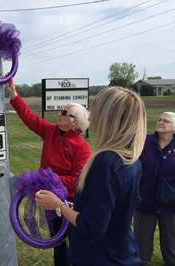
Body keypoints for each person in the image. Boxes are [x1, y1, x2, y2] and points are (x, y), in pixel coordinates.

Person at [35, 86, 146, 266]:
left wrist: (59, 206)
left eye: (94, 109)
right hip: (121, 253)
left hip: (101, 258)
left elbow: (91, 227)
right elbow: (114, 207)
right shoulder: (130, 158)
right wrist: (75, 205)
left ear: (107, 117)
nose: (89, 116)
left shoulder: (106, 162)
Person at [6, 79, 91, 266]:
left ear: (74, 121)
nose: (58, 114)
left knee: (76, 243)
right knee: (57, 242)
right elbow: (30, 118)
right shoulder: (51, 131)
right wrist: (14, 95)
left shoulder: (82, 147)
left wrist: (50, 179)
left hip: (70, 202)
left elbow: (78, 180)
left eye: (63, 112)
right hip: (50, 199)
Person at [134, 112, 175, 266]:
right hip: (145, 201)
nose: (161, 122)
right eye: (160, 119)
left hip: (171, 205)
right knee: (141, 246)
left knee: (171, 245)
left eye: (166, 121)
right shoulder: (144, 142)